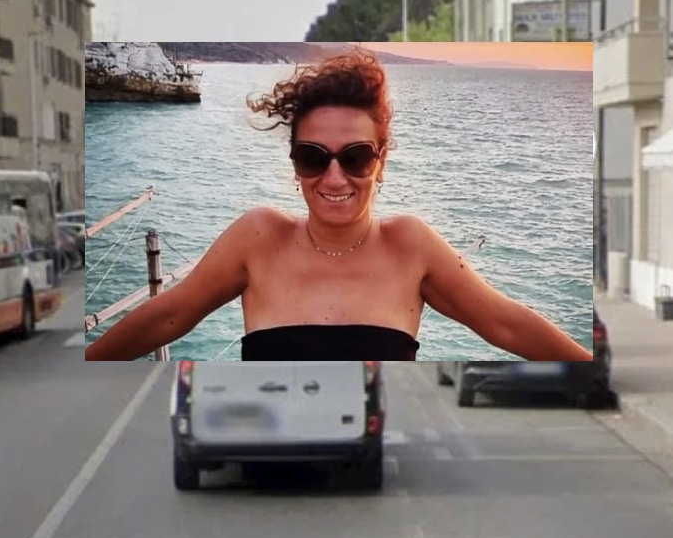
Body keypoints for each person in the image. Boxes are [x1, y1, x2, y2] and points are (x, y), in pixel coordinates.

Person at [85, 46, 593, 362]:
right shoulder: (258, 238)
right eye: (313, 156)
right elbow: (166, 318)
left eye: (355, 157)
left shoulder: (410, 246)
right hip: (266, 482)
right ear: (294, 163)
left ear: (381, 160)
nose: (334, 177)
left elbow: (506, 323)